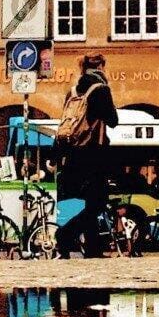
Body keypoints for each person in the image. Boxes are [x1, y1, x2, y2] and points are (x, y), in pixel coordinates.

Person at [54, 54, 118, 257]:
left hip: (72, 155)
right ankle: (65, 235)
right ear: (101, 66)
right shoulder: (100, 90)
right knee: (97, 202)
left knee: (86, 203)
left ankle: (93, 248)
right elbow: (113, 120)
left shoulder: (73, 91)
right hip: (93, 154)